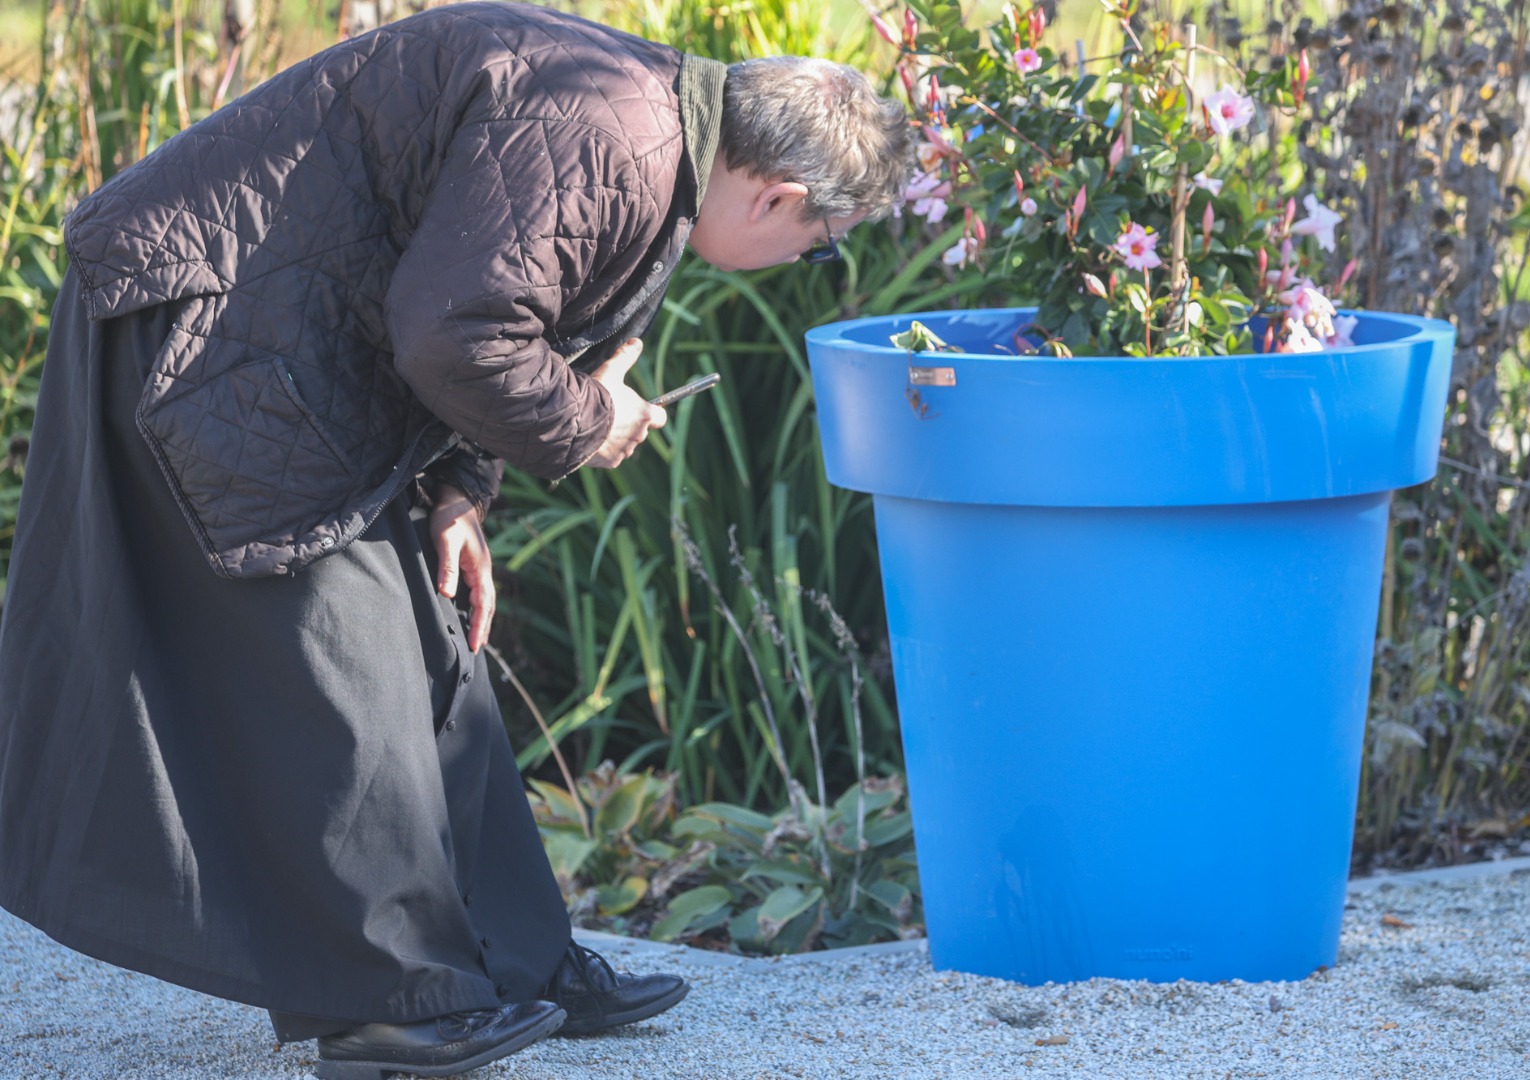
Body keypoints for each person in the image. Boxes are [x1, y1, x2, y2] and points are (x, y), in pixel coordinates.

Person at [0, 3, 910, 1077]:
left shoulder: (647, 120)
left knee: (438, 636)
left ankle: (505, 960)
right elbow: (455, 333)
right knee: (345, 666)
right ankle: (392, 1002)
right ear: (778, 195)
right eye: (816, 240)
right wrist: (592, 421)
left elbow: (476, 295)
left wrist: (454, 495)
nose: (803, 254)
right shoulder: (618, 131)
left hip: (291, 338)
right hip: (201, 329)